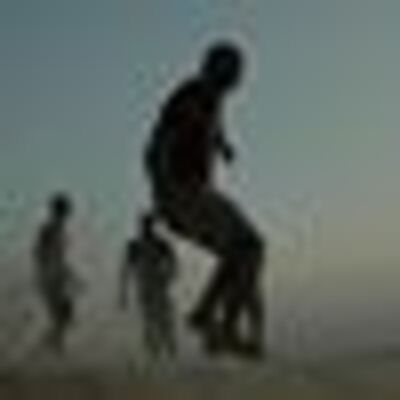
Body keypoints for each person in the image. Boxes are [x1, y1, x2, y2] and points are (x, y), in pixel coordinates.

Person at [144, 41, 266, 357]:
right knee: (250, 246)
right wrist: (164, 191)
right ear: (218, 70)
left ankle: (206, 316)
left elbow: (211, 125)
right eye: (235, 70)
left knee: (239, 254)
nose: (240, 78)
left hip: (192, 194)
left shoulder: (211, 99)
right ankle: (221, 326)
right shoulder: (192, 96)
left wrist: (223, 145)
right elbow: (156, 146)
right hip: (184, 193)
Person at [119, 214, 178, 359]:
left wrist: (169, 276)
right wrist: (123, 293)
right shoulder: (135, 246)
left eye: (149, 225)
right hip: (144, 286)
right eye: (145, 225)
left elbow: (173, 262)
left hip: (158, 285)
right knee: (150, 320)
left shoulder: (160, 244)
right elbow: (126, 269)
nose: (146, 228)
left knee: (164, 320)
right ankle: (154, 353)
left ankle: (169, 351)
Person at [33, 192, 82, 354]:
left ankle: (52, 343)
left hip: (57, 277)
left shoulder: (61, 230)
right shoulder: (48, 229)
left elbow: (60, 257)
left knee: (66, 314)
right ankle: (52, 346)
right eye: (65, 210)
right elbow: (39, 252)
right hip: (49, 278)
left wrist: (71, 276)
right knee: (61, 315)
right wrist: (44, 272)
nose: (67, 214)